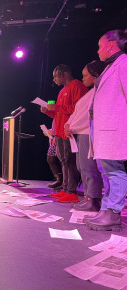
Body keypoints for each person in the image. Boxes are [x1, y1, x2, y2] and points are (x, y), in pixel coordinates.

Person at [84, 29, 127, 231]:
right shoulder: (110, 67)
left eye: (100, 46)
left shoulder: (123, 63)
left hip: (114, 130)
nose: (98, 50)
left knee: (115, 171)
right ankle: (107, 209)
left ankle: (114, 213)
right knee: (108, 171)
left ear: (111, 45)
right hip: (103, 130)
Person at [41, 64, 88, 203]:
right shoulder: (62, 91)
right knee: (63, 160)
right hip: (60, 131)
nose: (54, 79)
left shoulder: (77, 86)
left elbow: (79, 109)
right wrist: (48, 111)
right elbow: (59, 113)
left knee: (70, 161)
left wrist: (57, 107)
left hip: (71, 131)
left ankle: (71, 192)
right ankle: (66, 189)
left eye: (56, 76)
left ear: (65, 73)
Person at [64, 60, 107, 212]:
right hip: (80, 133)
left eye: (85, 75)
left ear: (95, 75)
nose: (82, 78)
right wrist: (68, 124)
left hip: (87, 133)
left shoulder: (98, 91)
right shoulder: (91, 92)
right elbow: (77, 113)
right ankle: (88, 198)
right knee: (81, 167)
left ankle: (93, 200)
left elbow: (87, 116)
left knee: (89, 168)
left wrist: (72, 126)